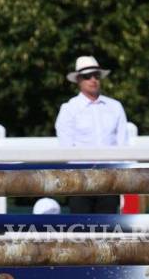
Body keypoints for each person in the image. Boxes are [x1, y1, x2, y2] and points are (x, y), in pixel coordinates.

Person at [55, 55, 129, 214]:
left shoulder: (115, 107)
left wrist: (122, 179)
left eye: (96, 75)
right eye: (88, 76)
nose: (93, 79)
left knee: (107, 231)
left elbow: (123, 145)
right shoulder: (69, 109)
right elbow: (66, 149)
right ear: (79, 80)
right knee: (81, 232)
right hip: (80, 179)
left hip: (109, 178)